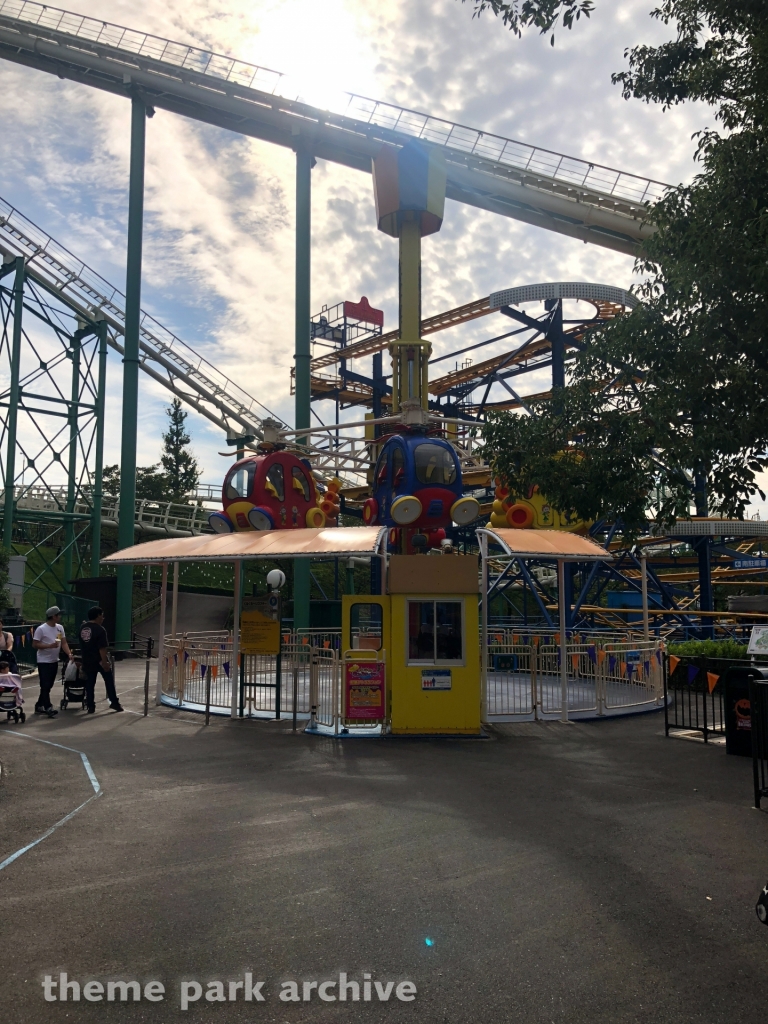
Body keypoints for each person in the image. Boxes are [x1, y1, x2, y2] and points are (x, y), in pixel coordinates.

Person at [78, 607, 123, 714]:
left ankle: (90, 706)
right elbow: (102, 648)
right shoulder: (100, 629)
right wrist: (105, 662)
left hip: (87, 660)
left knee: (89, 684)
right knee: (109, 681)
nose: (103, 618)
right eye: (102, 615)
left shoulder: (83, 628)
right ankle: (114, 702)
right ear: (98, 616)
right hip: (99, 660)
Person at [32, 606, 73, 717]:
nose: (60, 617)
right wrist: (49, 646)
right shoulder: (41, 629)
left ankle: (39, 705)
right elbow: (35, 644)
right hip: (43, 660)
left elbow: (63, 642)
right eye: (58, 615)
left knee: (48, 685)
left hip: (54, 660)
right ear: (53, 616)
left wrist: (69, 654)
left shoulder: (60, 628)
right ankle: (48, 706)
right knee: (45, 684)